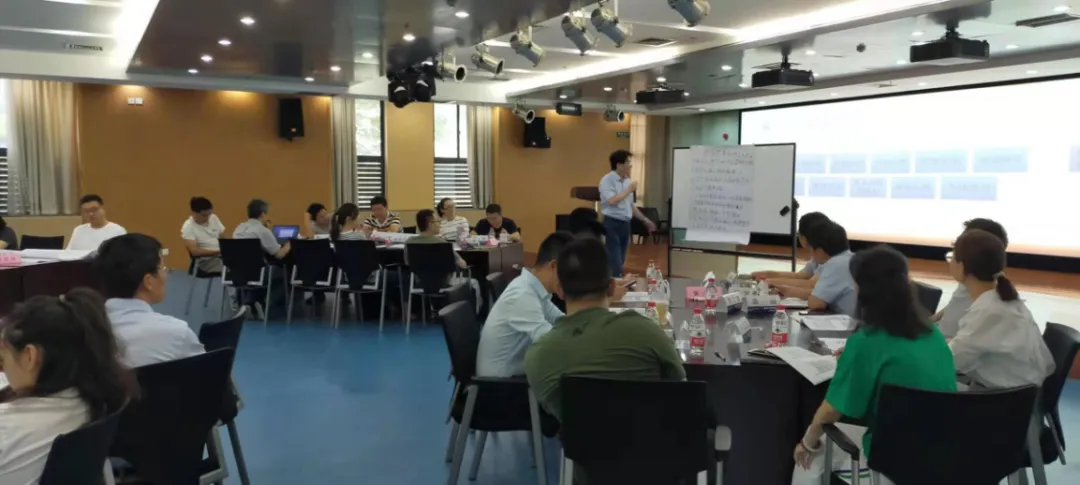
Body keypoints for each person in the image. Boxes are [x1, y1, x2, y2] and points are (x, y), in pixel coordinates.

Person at [794, 245, 955, 472]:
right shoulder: (932, 334)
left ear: (864, 290)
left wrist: (806, 443)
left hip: (892, 460)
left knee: (808, 458)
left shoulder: (866, 342)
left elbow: (831, 411)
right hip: (945, 452)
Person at [525, 238, 685, 420]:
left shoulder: (538, 356)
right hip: (650, 436)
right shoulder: (647, 331)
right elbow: (681, 384)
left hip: (583, 439)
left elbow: (556, 413)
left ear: (560, 290)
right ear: (611, 287)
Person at [0, 288, 138, 485]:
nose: (4, 368)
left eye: (4, 357)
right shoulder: (96, 400)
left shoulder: (7, 429)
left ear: (30, 356)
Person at [947, 229, 1054, 389]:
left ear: (962, 268)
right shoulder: (1002, 299)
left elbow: (951, 361)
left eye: (952, 257)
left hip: (1000, 398)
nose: (949, 262)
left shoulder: (988, 311)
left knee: (919, 385)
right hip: (1014, 391)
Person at [96, 234, 204, 368]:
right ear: (148, 281)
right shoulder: (177, 332)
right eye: (163, 268)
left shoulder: (83, 329)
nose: (166, 274)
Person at [476, 232, 576, 377]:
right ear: (554, 266)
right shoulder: (522, 295)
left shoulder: (533, 288)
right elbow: (552, 344)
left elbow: (562, 321)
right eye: (571, 273)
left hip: (517, 373)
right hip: (501, 384)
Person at [932, 218, 1009, 338]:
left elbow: (958, 343)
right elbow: (953, 306)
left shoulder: (985, 309)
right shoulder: (975, 282)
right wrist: (931, 320)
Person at [775, 220, 857, 317]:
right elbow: (823, 295)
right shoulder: (850, 258)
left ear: (819, 250)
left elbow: (816, 304)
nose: (811, 254)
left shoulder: (835, 265)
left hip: (851, 323)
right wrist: (792, 291)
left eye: (810, 248)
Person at [407, 210, 481, 311]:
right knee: (475, 282)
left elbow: (407, 262)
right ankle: (476, 315)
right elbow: (463, 264)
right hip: (444, 283)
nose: (440, 224)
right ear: (430, 224)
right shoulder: (442, 243)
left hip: (420, 283)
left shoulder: (410, 242)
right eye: (437, 221)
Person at [599, 150, 655, 277]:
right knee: (614, 257)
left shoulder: (627, 181)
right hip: (612, 223)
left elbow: (631, 206)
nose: (630, 165)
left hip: (625, 224)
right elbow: (612, 200)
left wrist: (645, 220)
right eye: (628, 162)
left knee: (622, 256)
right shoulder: (607, 180)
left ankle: (615, 281)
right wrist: (629, 190)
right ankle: (615, 282)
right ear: (619, 165)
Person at [753, 212, 830, 289]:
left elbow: (811, 285)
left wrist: (767, 281)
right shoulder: (819, 253)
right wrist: (763, 274)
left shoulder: (826, 255)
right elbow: (799, 276)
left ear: (802, 238)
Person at [181, 196, 225, 273]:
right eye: (204, 215)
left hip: (221, 256)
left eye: (209, 214)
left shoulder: (214, 218)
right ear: (193, 213)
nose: (207, 218)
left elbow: (223, 237)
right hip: (205, 261)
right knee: (234, 266)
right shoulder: (188, 226)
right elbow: (194, 251)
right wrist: (217, 252)